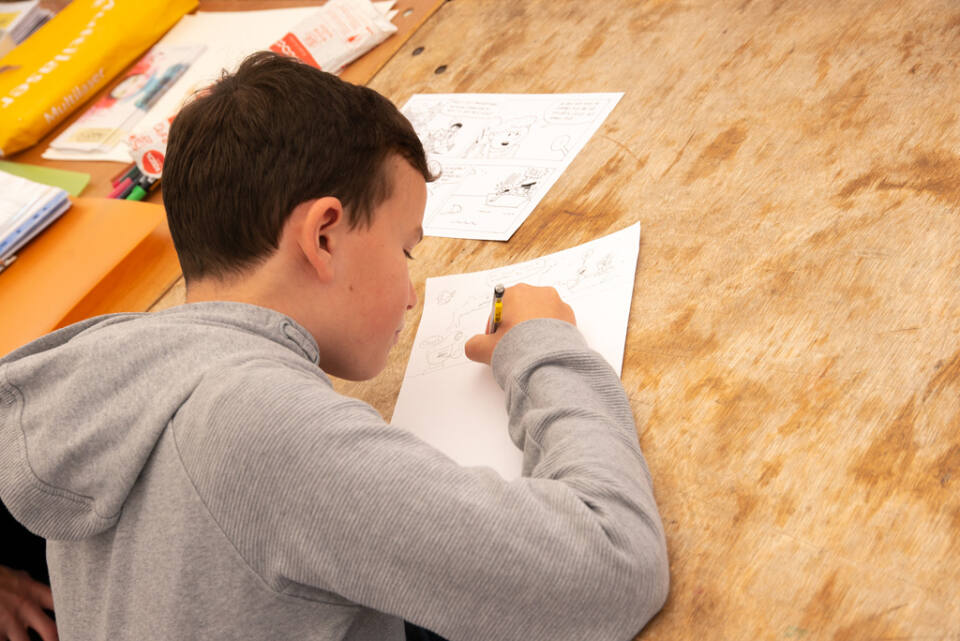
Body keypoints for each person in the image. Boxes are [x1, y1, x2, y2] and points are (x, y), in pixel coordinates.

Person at [0, 52, 668, 641]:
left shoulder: (103, 377)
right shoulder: (262, 429)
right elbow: (613, 569)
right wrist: (544, 348)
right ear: (323, 235)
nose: (411, 295)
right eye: (405, 249)